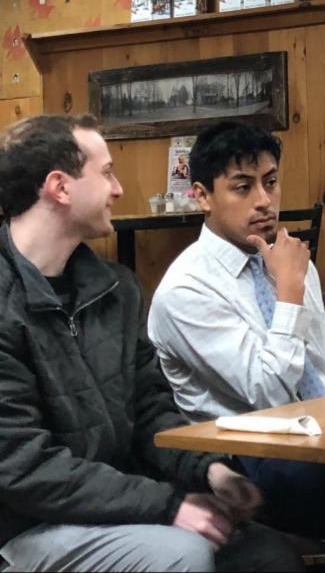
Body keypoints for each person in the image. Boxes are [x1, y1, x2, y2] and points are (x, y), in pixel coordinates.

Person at [0, 114, 301, 572]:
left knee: (268, 554)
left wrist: (209, 470)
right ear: (60, 187)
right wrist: (167, 505)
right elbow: (24, 467)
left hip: (116, 504)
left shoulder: (115, 288)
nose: (118, 189)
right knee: (184, 554)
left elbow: (150, 410)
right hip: (25, 525)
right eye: (106, 173)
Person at [148, 121, 325, 570]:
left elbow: (322, 374)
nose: (264, 200)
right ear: (202, 196)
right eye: (242, 187)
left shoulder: (289, 258)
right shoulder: (187, 288)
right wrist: (289, 293)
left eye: (270, 182)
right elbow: (269, 393)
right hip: (245, 458)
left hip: (324, 438)